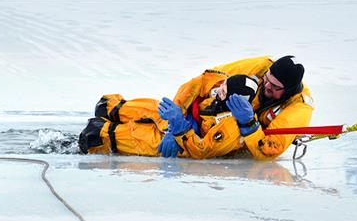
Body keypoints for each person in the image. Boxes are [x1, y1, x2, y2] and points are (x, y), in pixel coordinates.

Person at [159, 55, 314, 160]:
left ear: (288, 90)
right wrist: (172, 126)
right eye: (266, 79)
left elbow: (270, 150)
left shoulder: (299, 107)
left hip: (234, 133)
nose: (266, 86)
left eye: (274, 86)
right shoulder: (263, 66)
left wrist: (248, 123)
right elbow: (203, 81)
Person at [78, 74, 258, 158]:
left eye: (223, 90)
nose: (217, 90)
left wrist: (180, 128)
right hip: (180, 123)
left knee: (142, 137)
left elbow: (203, 150)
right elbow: (199, 82)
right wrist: (178, 115)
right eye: (222, 85)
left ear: (234, 100)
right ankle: (113, 110)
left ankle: (100, 136)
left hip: (182, 143)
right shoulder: (219, 93)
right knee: (151, 108)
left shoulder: (230, 128)